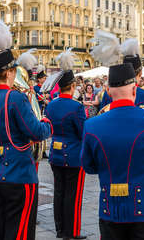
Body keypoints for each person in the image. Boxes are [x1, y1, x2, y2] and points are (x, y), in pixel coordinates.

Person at [81, 63, 144, 240]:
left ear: (107, 91)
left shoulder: (92, 124)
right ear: (135, 91)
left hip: (111, 207)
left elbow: (89, 167)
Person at [0, 17, 53, 240]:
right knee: (19, 231)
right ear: (9, 73)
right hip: (18, 173)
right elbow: (36, 132)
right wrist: (47, 123)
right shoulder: (16, 98)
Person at [45, 50, 87, 240]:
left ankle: (60, 229)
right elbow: (82, 132)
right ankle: (72, 231)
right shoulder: (77, 107)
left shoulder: (51, 105)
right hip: (73, 155)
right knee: (73, 196)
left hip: (55, 153)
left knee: (59, 193)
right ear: (71, 86)